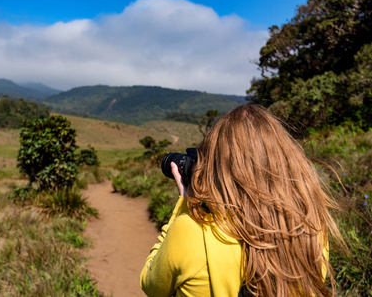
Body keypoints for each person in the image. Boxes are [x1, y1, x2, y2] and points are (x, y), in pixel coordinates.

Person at [140, 105, 342, 296]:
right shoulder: (311, 226)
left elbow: (151, 286)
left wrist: (184, 202)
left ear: (216, 167)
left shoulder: (192, 230)